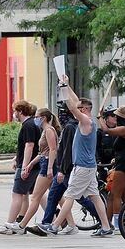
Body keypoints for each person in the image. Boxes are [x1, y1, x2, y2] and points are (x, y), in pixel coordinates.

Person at [46, 76, 112, 237]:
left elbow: (73, 106)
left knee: (69, 196)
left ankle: (54, 226)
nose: (74, 110)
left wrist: (63, 89)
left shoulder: (86, 122)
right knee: (95, 197)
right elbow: (75, 102)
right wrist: (67, 85)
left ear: (84, 109)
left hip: (82, 167)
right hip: (88, 166)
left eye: (79, 108)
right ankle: (106, 227)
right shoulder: (86, 120)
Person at [26, 102, 99, 236]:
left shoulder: (71, 127)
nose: (61, 114)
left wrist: (61, 170)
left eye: (63, 111)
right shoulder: (70, 126)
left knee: (80, 198)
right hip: (67, 168)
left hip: (68, 169)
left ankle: (103, 221)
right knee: (54, 195)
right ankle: (48, 224)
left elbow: (67, 151)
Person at [0, 100, 40, 234]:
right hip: (33, 166)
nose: (14, 114)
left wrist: (24, 167)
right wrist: (16, 159)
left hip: (28, 167)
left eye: (14, 111)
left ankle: (9, 225)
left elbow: (29, 146)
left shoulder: (28, 126)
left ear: (20, 111)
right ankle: (50, 219)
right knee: (37, 195)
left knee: (17, 194)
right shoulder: (32, 124)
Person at [8, 108, 61, 233]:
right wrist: (31, 164)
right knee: (56, 196)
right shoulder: (44, 130)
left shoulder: (48, 130)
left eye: (37, 116)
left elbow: (53, 150)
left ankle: (21, 225)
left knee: (36, 197)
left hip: (47, 165)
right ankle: (68, 223)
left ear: (43, 118)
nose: (35, 119)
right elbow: (43, 152)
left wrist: (49, 168)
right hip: (44, 163)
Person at [99, 105, 125, 231]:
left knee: (115, 194)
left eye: (116, 116)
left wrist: (100, 117)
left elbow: (107, 130)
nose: (115, 118)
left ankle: (117, 224)